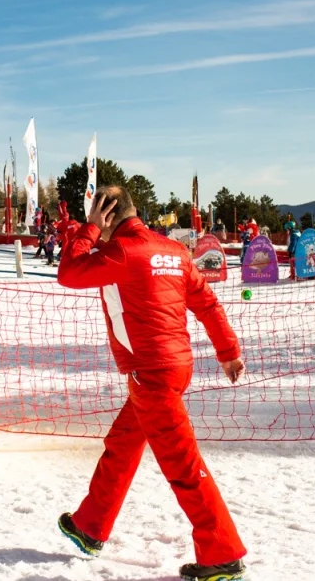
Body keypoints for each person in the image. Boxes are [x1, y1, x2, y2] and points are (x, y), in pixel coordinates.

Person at [56, 186, 247, 581]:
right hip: (172, 367)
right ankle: (90, 526)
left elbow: (70, 272)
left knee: (183, 465)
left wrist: (89, 231)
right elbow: (207, 303)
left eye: (97, 216)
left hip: (151, 375)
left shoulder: (119, 252)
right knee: (122, 447)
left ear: (106, 216)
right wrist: (228, 351)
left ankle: (222, 554)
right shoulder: (173, 251)